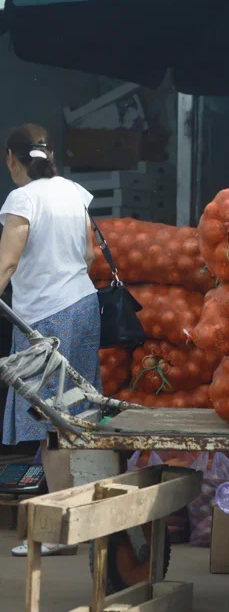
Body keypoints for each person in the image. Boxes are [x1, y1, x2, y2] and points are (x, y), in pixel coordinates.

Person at [1, 124, 101, 557]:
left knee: (52, 424)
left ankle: (60, 530)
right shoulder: (73, 192)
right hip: (82, 306)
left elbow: (7, 260)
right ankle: (77, 520)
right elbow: (90, 255)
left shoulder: (22, 199)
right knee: (71, 418)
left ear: (12, 159)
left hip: (44, 319)